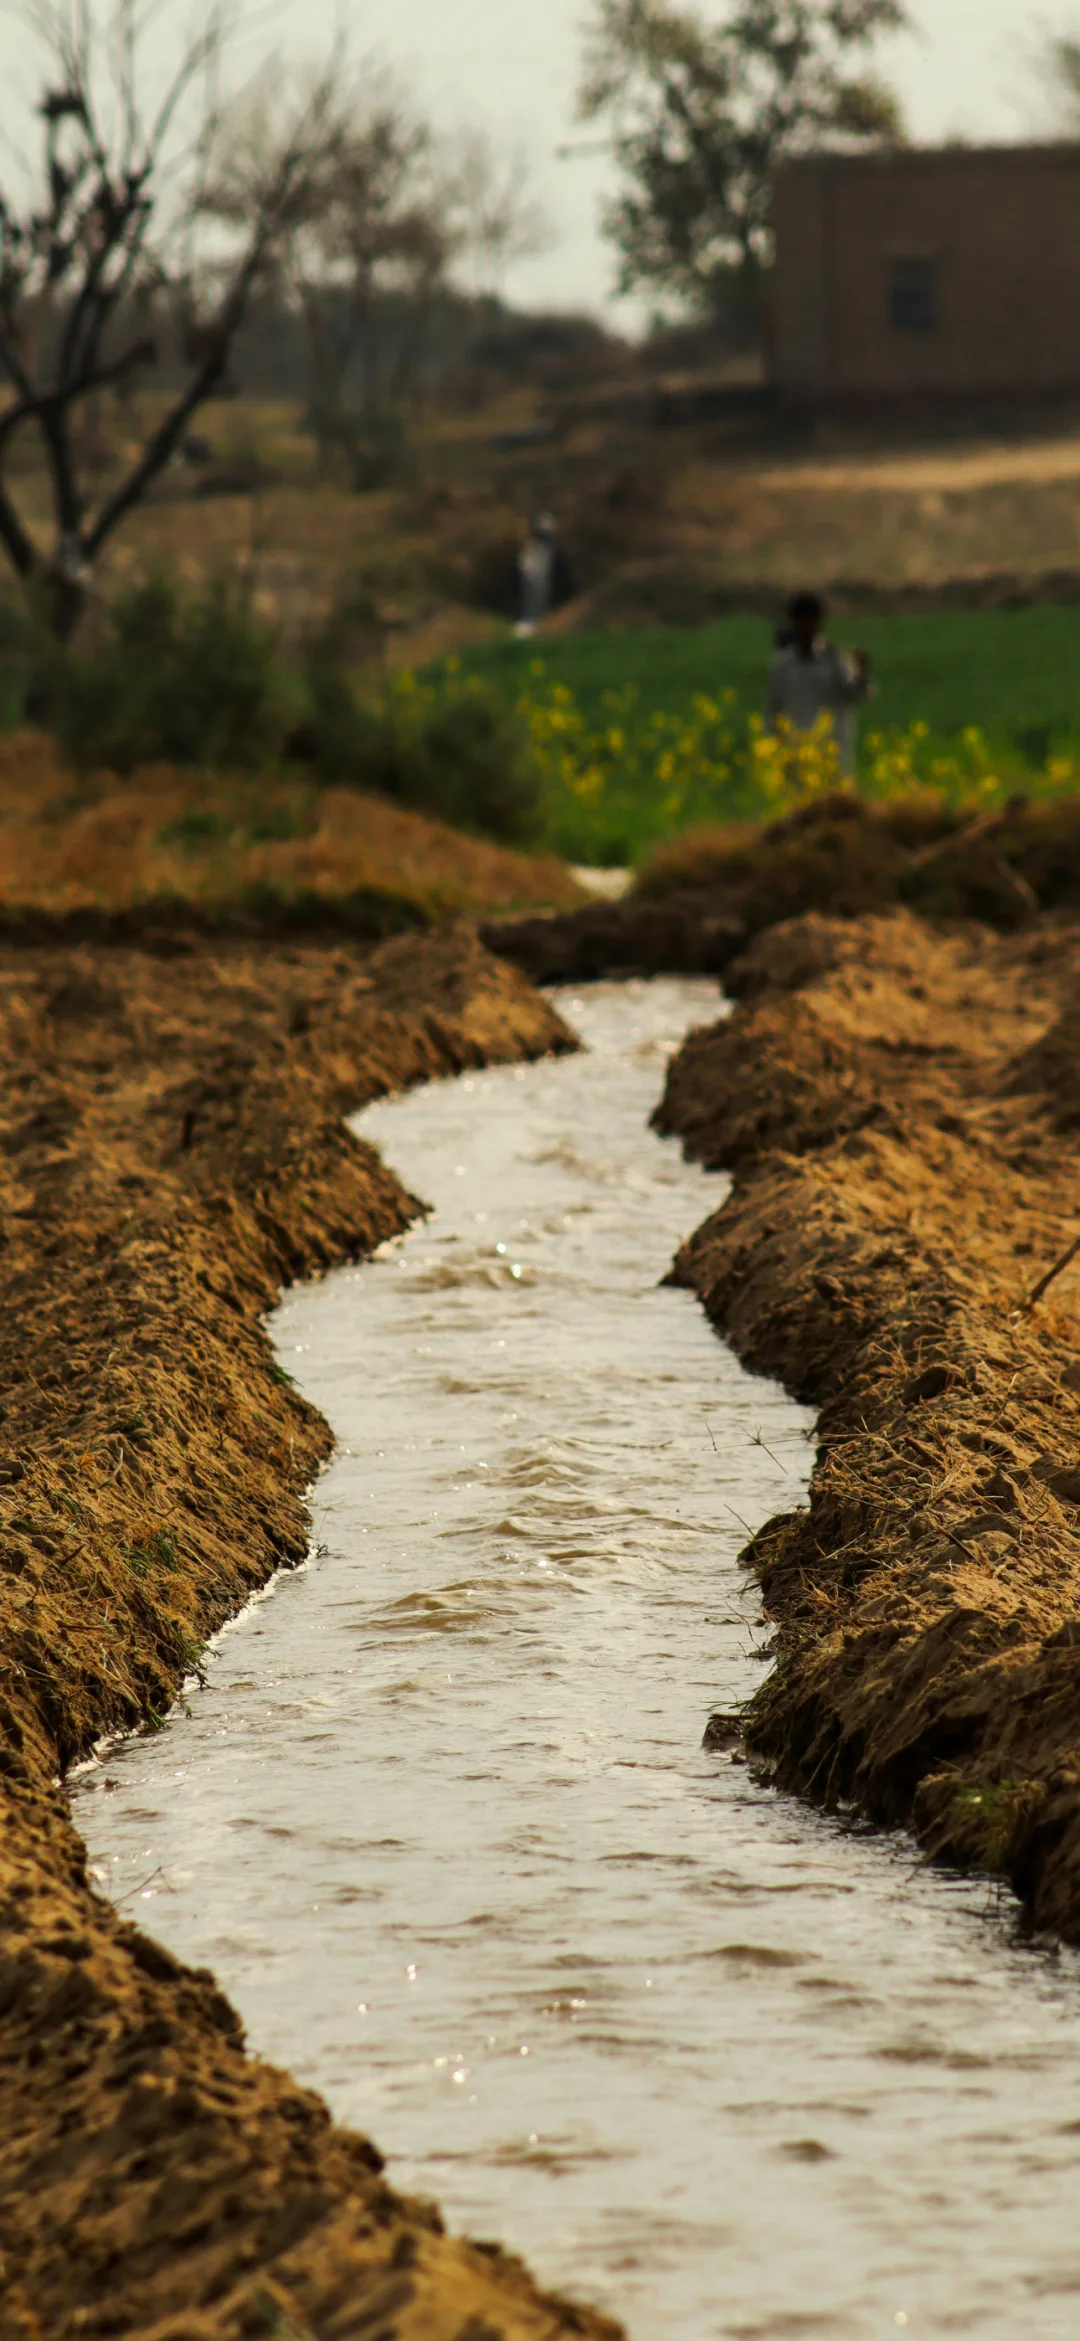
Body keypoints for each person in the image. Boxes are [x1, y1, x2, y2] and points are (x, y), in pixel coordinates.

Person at [764, 592, 873, 775]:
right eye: (800, 621)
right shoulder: (782, 664)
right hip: (794, 757)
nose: (805, 627)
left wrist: (861, 674)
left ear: (819, 624)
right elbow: (771, 710)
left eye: (810, 621)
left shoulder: (835, 660)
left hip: (831, 757)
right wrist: (772, 750)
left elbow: (856, 695)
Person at [515, 512, 557, 637]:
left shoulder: (547, 548)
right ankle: (529, 622)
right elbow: (525, 561)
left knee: (541, 597)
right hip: (531, 576)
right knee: (531, 598)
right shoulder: (532, 546)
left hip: (540, 576)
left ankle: (539, 621)